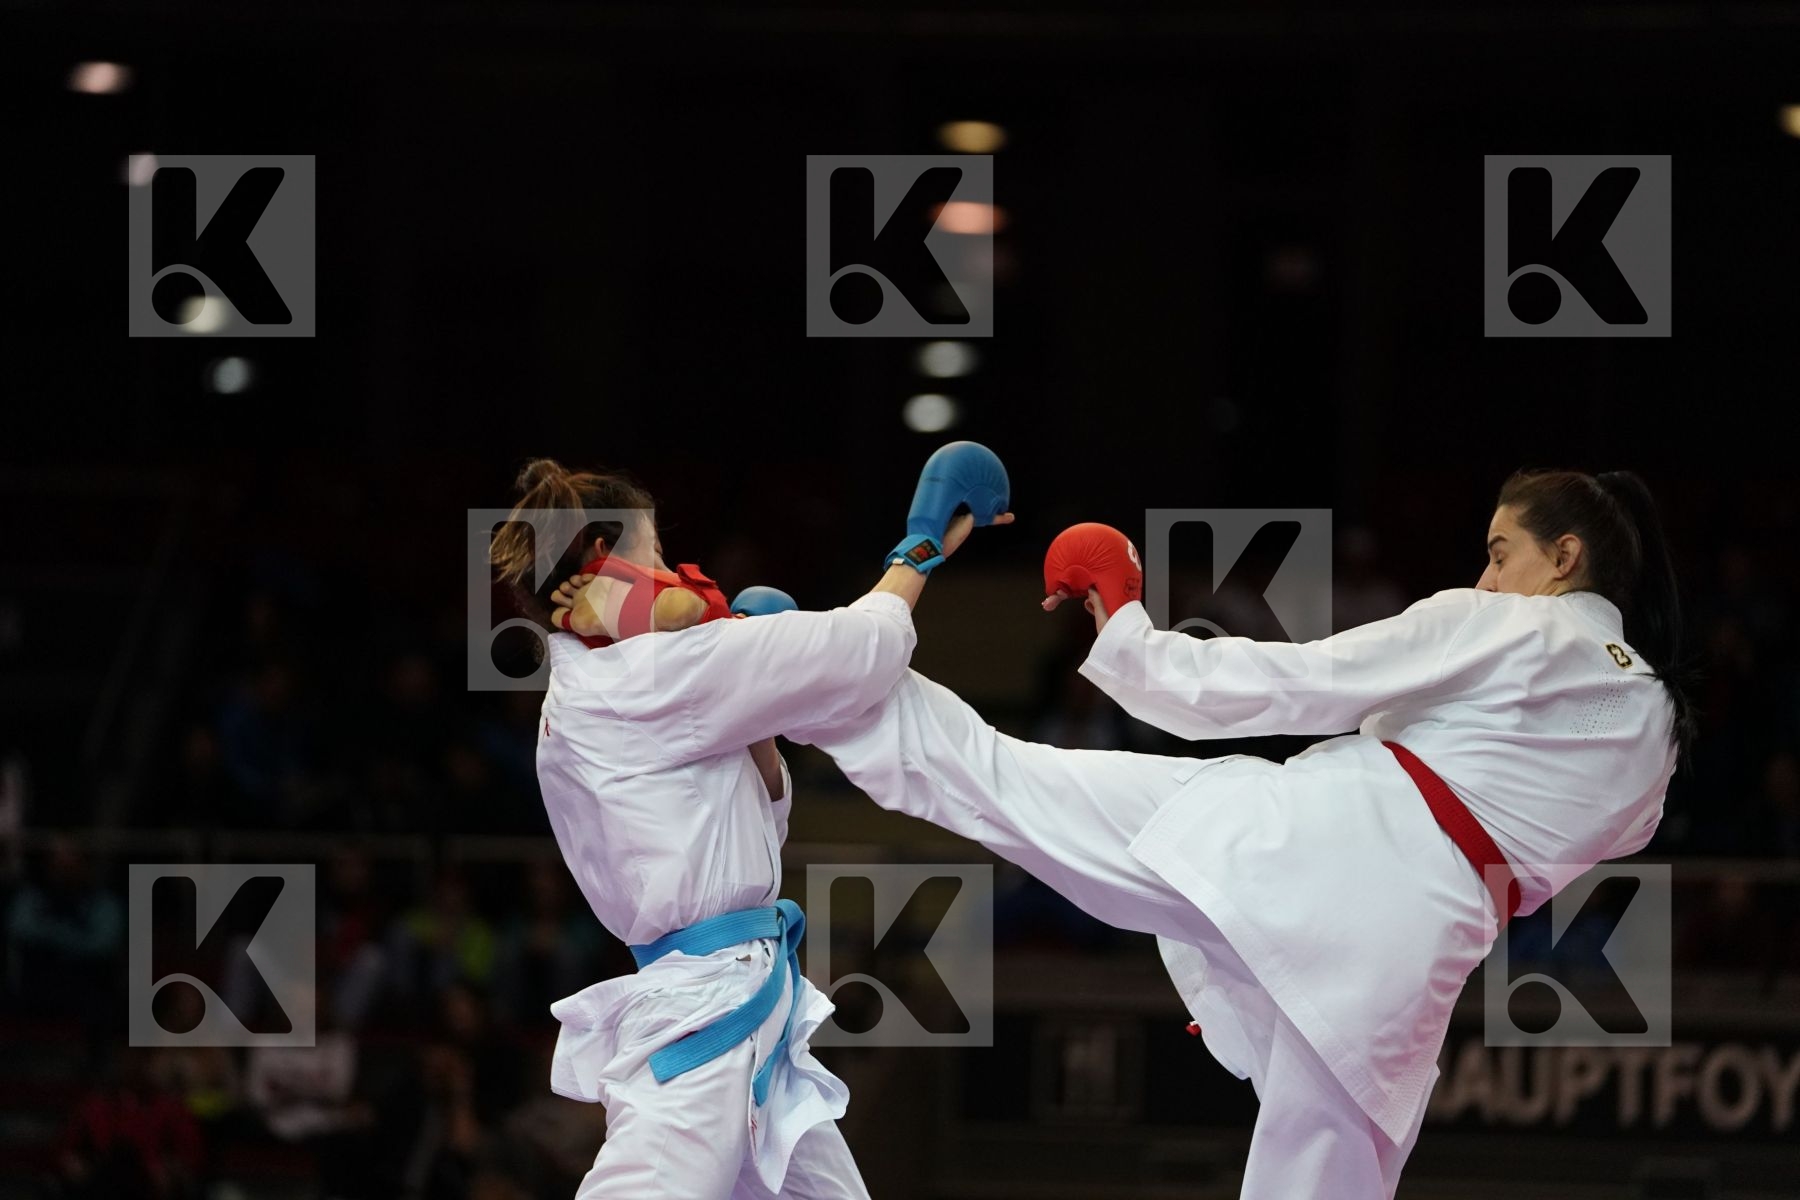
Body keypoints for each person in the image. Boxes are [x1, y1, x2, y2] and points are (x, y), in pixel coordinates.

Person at [800, 468, 1692, 1199]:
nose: (1489, 577)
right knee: (1317, 1185)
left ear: (1565, 556)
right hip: (1415, 955)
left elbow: (1297, 683)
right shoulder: (1659, 729)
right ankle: (810, 679)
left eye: (1502, 554)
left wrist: (1130, 631)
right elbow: (1596, 839)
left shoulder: (1507, 623)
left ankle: (807, 677)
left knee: (1011, 778)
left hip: (1306, 845)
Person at [495, 444, 1011, 1199]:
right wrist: (924, 543)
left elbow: (751, 823)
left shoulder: (586, 690)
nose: (675, 570)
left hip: (739, 996)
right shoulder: (647, 676)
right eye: (659, 551)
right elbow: (859, 651)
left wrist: (759, 724)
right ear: (608, 560)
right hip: (705, 1010)